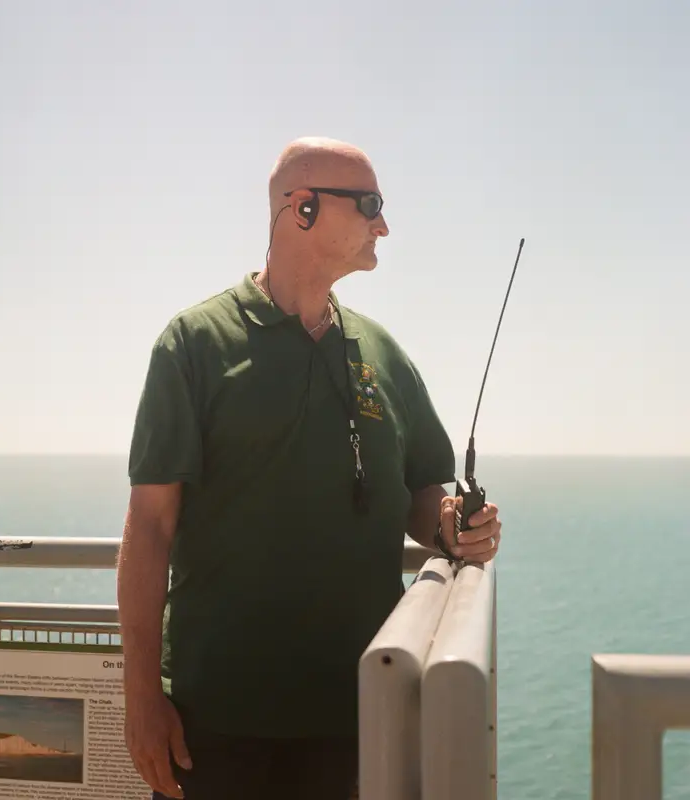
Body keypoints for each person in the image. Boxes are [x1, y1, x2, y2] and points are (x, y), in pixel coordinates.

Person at [116, 136, 502, 800]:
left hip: (362, 719)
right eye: (370, 204)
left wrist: (448, 525)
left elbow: (421, 490)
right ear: (301, 210)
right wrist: (142, 698)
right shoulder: (195, 346)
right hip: (218, 726)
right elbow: (150, 528)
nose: (384, 224)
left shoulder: (383, 354)